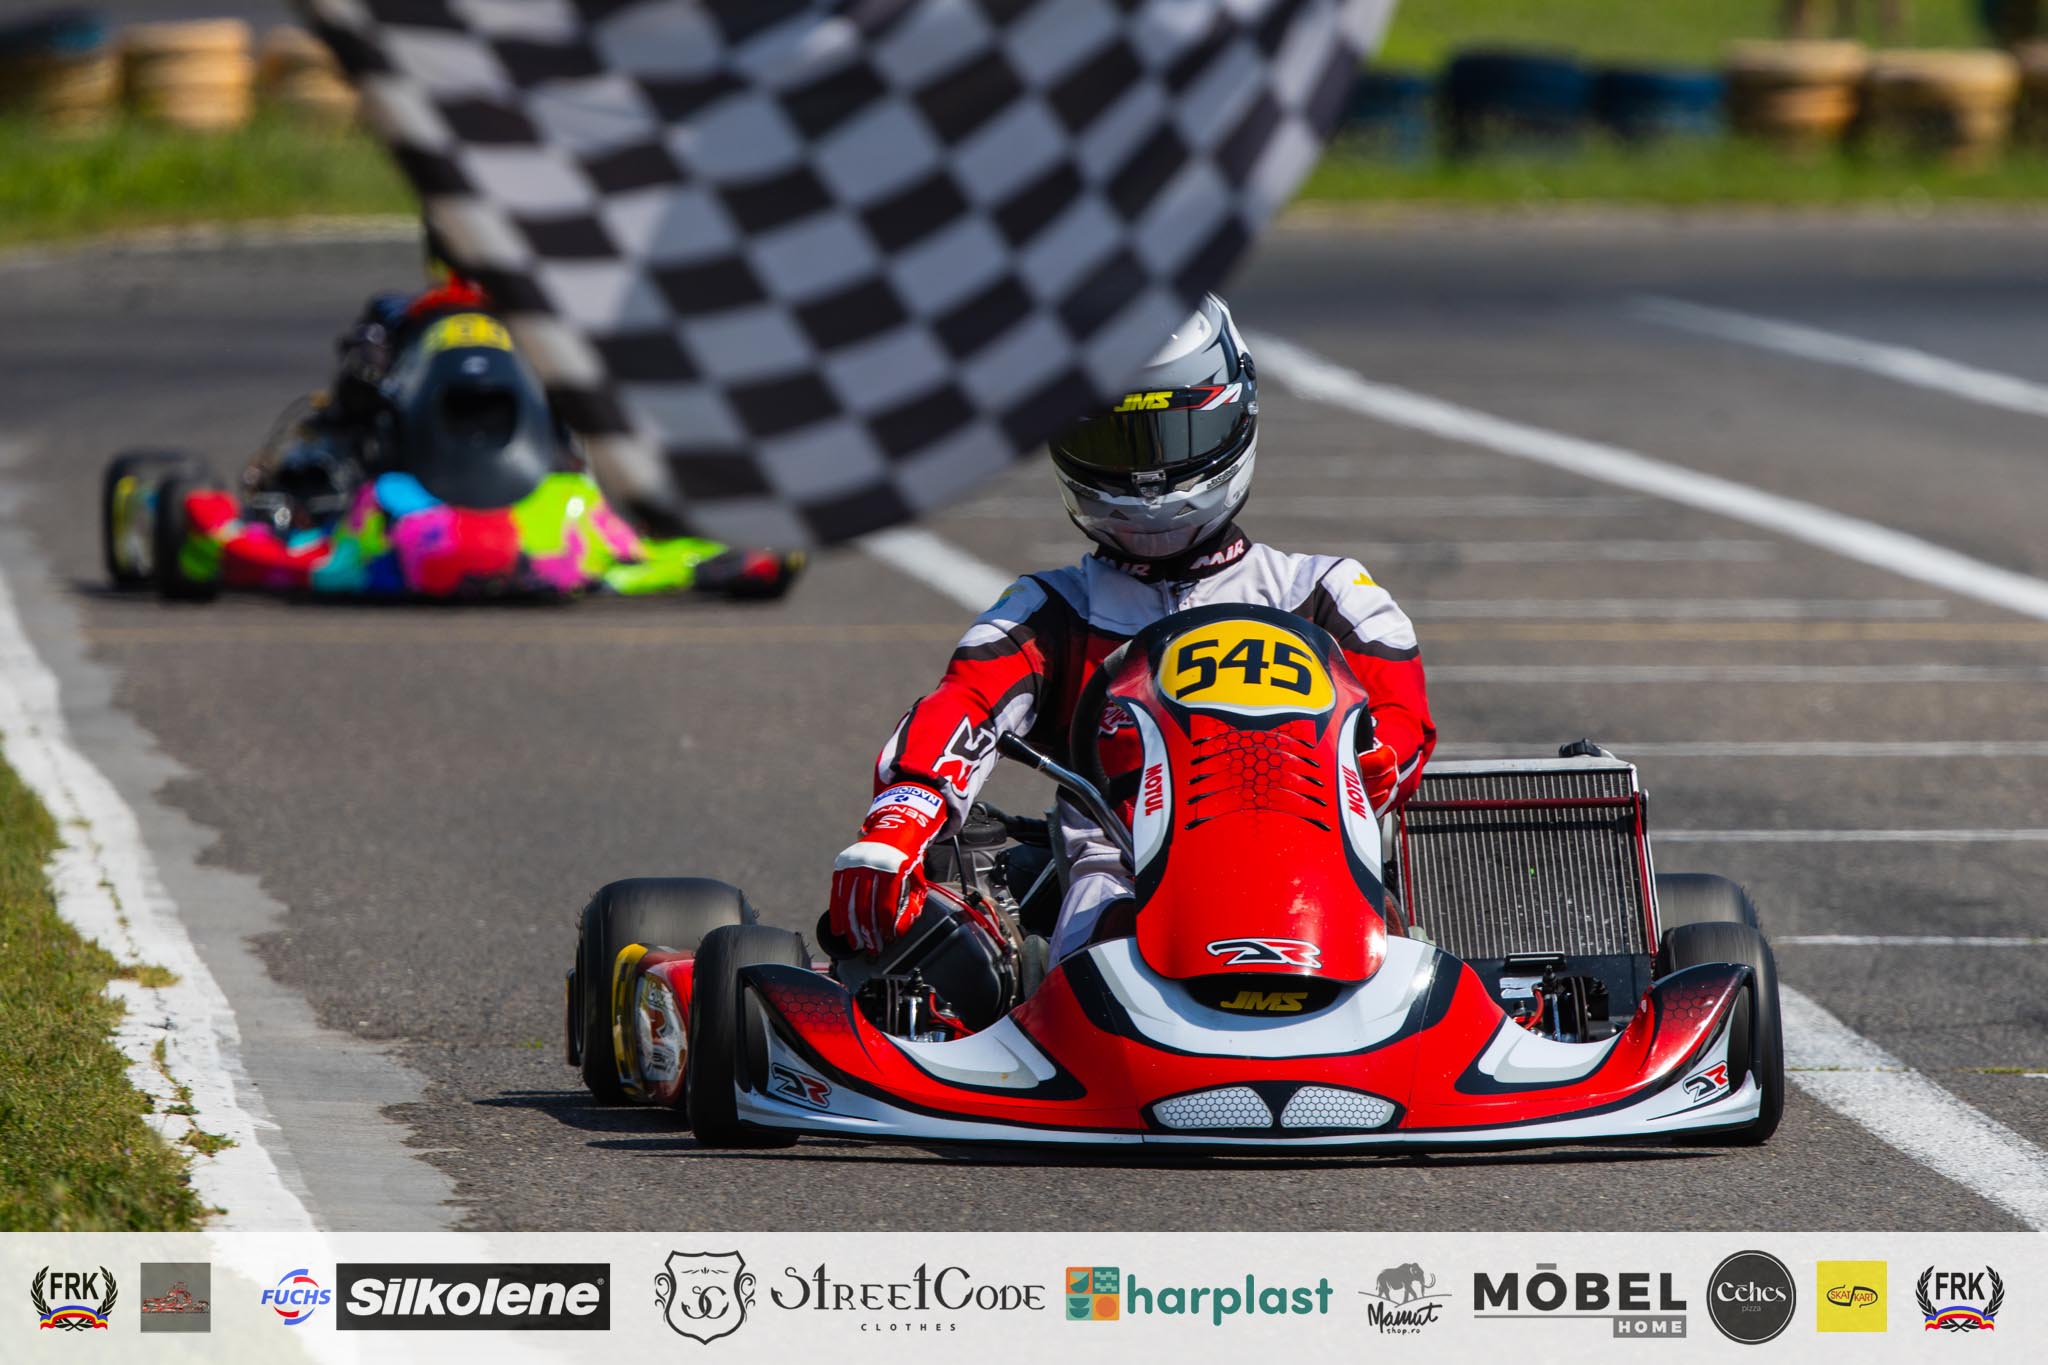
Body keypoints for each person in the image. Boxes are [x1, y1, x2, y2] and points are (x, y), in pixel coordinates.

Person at [825, 294, 1437, 964]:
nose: (1147, 479)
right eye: (1112, 441)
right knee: (1078, 938)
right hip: (1117, 872)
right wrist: (904, 813)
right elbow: (965, 703)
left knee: (1391, 950)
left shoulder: (1324, 594)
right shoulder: (1051, 611)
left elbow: (1402, 718)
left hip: (1314, 872)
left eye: (1170, 435)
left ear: (1232, 413)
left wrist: (1375, 763)